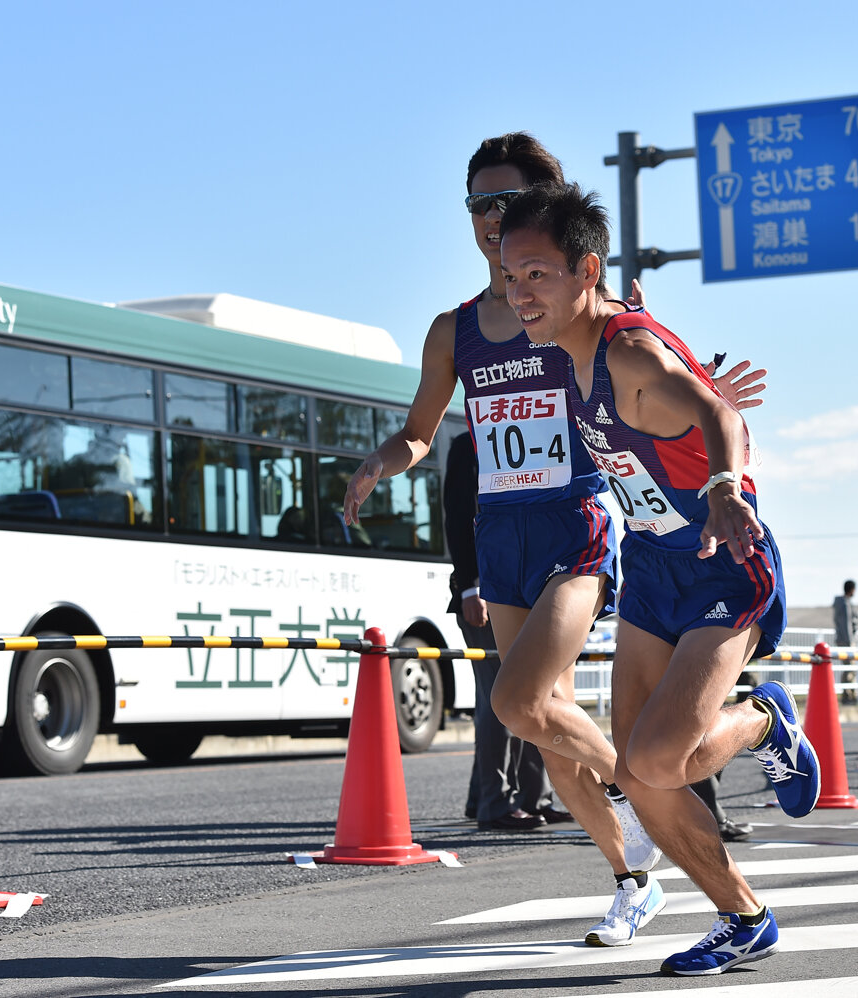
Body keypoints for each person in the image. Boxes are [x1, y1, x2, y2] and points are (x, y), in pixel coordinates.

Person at [343, 134, 768, 948]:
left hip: (576, 524)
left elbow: (641, 369)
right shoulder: (454, 331)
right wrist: (381, 462)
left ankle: (637, 789)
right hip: (500, 531)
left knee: (523, 701)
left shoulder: (573, 309)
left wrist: (705, 398)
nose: (493, 221)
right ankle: (632, 880)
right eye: (478, 205)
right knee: (548, 722)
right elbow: (420, 433)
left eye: (508, 204)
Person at [499, 181, 820, 976]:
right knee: (639, 778)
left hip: (719, 556)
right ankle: (744, 917)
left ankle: (763, 719)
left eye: (537, 275)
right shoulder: (573, 352)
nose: (520, 294)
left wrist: (722, 488)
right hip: (649, 568)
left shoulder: (627, 354)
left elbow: (724, 421)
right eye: (511, 279)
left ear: (586, 271)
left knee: (656, 761)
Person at [444, 430, 554, 831]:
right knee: (500, 699)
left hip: (526, 588)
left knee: (529, 694)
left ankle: (529, 796)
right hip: (486, 593)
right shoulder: (466, 444)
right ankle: (495, 802)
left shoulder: (538, 433)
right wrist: (470, 585)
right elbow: (458, 516)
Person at [832, 579, 858, 648]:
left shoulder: (841, 603)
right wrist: (850, 642)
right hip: (847, 641)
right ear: (852, 589)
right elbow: (847, 623)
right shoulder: (845, 605)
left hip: (842, 639)